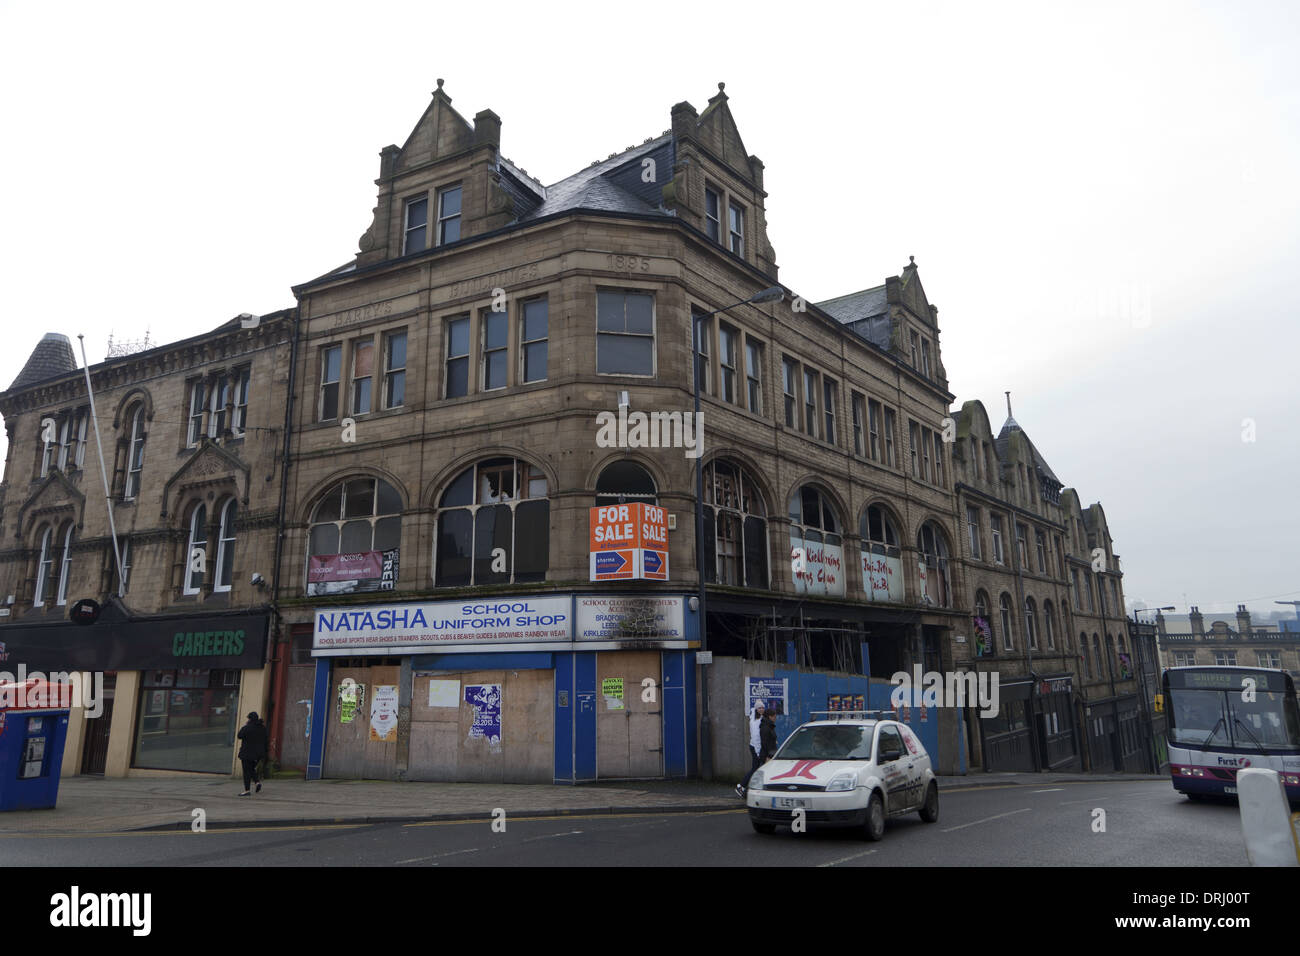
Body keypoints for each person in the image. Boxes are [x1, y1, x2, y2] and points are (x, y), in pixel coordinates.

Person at [736, 701, 767, 798]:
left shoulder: (760, 719)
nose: (761, 709)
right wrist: (758, 752)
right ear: (756, 709)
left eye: (762, 708)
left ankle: (745, 787)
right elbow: (756, 737)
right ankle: (741, 786)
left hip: (756, 747)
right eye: (759, 708)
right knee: (756, 769)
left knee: (757, 768)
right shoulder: (756, 722)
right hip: (755, 747)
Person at [237, 711, 268, 796]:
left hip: (247, 753)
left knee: (246, 771)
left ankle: (247, 790)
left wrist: (246, 725)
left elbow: (239, 735)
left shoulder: (247, 727)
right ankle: (257, 782)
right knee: (251, 769)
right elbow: (266, 740)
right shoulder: (263, 728)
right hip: (258, 755)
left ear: (250, 719)